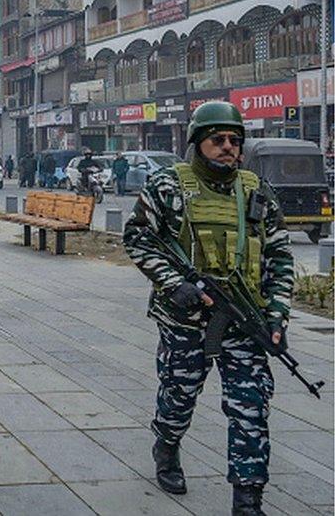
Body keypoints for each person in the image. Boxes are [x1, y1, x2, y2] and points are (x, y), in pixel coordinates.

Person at [123, 101, 293, 516]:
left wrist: (276, 314)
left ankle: (248, 499)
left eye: (235, 140)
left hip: (242, 321)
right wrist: (173, 283)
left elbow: (280, 255)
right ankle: (167, 445)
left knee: (251, 407)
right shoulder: (168, 186)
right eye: (218, 140)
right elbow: (138, 238)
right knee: (179, 396)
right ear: (198, 143)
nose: (228, 147)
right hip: (184, 321)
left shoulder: (255, 191)